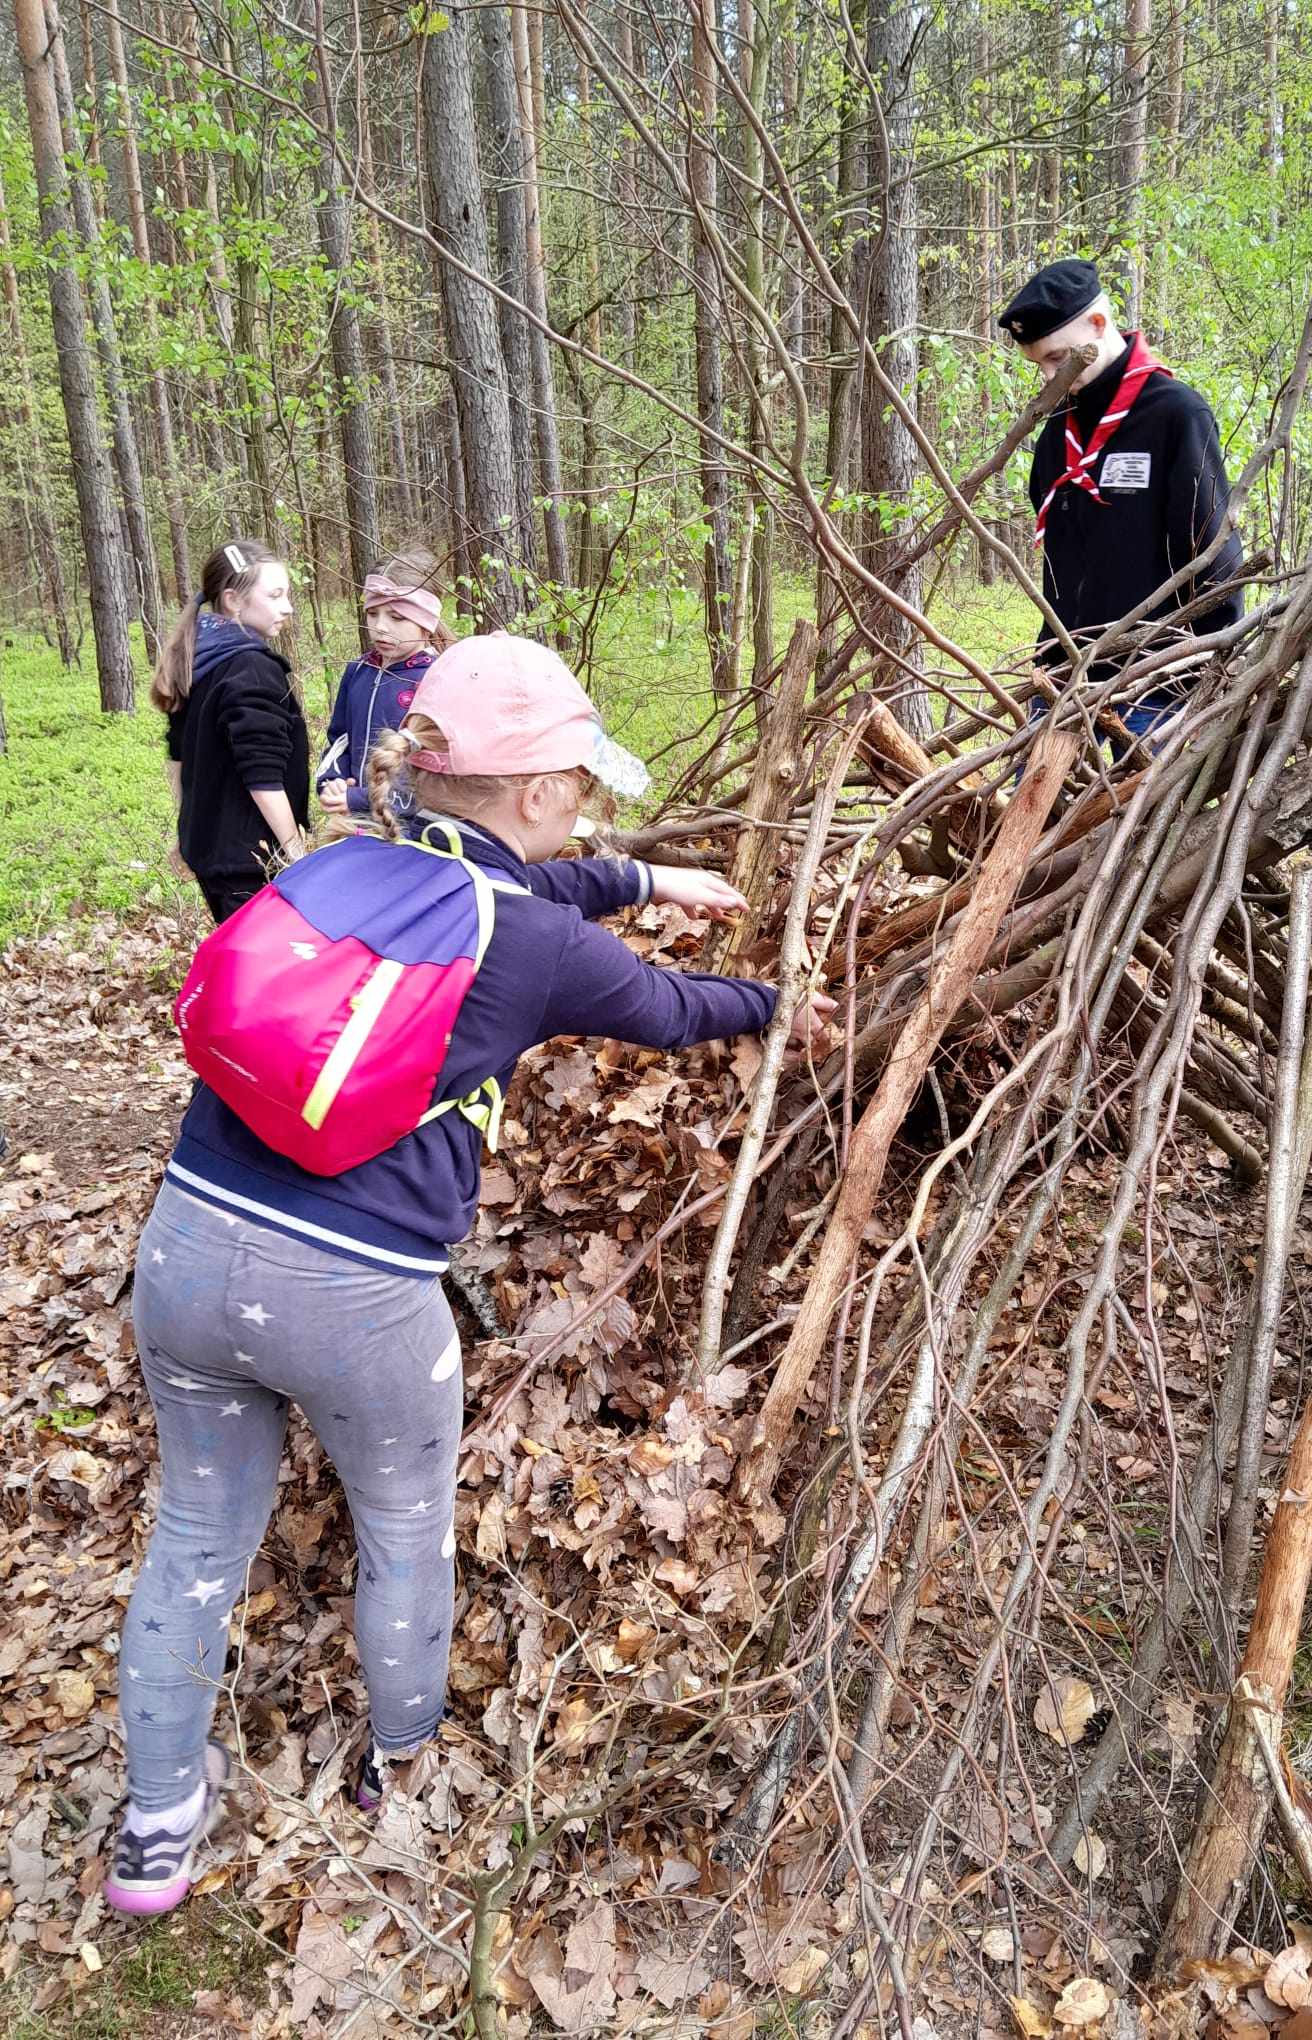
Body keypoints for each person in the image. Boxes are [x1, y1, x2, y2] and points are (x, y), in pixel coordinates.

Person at [103, 631, 835, 1917]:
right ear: (540, 792)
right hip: (355, 1300)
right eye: (581, 788)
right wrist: (780, 1004)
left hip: (185, 1254)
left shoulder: (345, 865)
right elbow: (669, 1009)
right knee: (402, 1526)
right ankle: (401, 1766)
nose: (591, 809)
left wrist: (649, 874)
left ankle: (157, 1827)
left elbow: (513, 893)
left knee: (194, 1536)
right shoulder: (533, 944)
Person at [997, 257, 1244, 750]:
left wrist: (1215, 660)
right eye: (1040, 364)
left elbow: (1213, 547)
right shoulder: (1054, 435)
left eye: (1058, 356)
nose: (1052, 374)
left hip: (1161, 676)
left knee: (1144, 822)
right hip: (1067, 675)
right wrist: (1050, 657)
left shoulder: (1175, 415)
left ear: (1098, 323)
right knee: (1045, 821)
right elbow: (1060, 564)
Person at [151, 540, 309, 922]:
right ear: (234, 601)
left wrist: (186, 828)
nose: (287, 607)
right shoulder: (251, 668)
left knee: (244, 964)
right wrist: (296, 855)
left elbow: (178, 761)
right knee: (265, 973)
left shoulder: (197, 658)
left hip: (210, 852)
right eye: (274, 595)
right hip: (252, 861)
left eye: (287, 594)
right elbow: (263, 776)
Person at [317, 546, 451, 820]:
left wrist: (360, 799)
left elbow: (436, 774)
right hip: (358, 825)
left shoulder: (438, 679)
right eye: (372, 613)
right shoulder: (358, 671)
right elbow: (339, 740)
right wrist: (333, 782)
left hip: (415, 833)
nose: (380, 627)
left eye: (396, 617)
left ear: (426, 621)